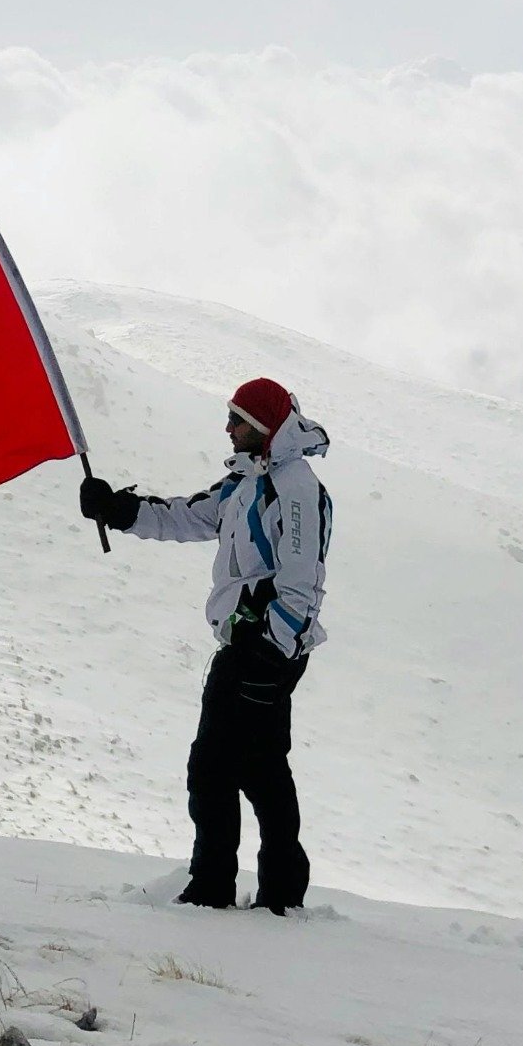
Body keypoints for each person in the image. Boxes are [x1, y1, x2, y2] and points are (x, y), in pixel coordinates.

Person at [79, 378, 332, 913]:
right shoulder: (245, 482)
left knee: (217, 767)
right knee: (259, 768)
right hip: (248, 643)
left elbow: (302, 580)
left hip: (264, 650)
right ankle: (277, 894)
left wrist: (271, 648)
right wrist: (119, 510)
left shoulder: (295, 489)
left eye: (238, 420)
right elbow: (189, 516)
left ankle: (218, 888)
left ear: (262, 427)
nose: (228, 428)